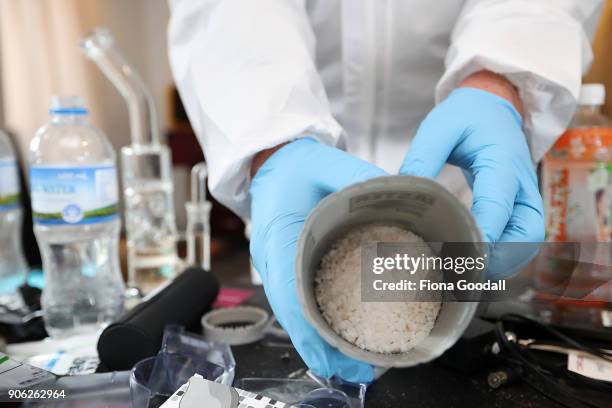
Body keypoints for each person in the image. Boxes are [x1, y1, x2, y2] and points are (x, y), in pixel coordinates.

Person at [168, 0, 603, 382]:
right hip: (301, 191)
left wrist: (498, 83)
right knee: (291, 320)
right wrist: (273, 144)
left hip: (453, 190)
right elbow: (228, 11)